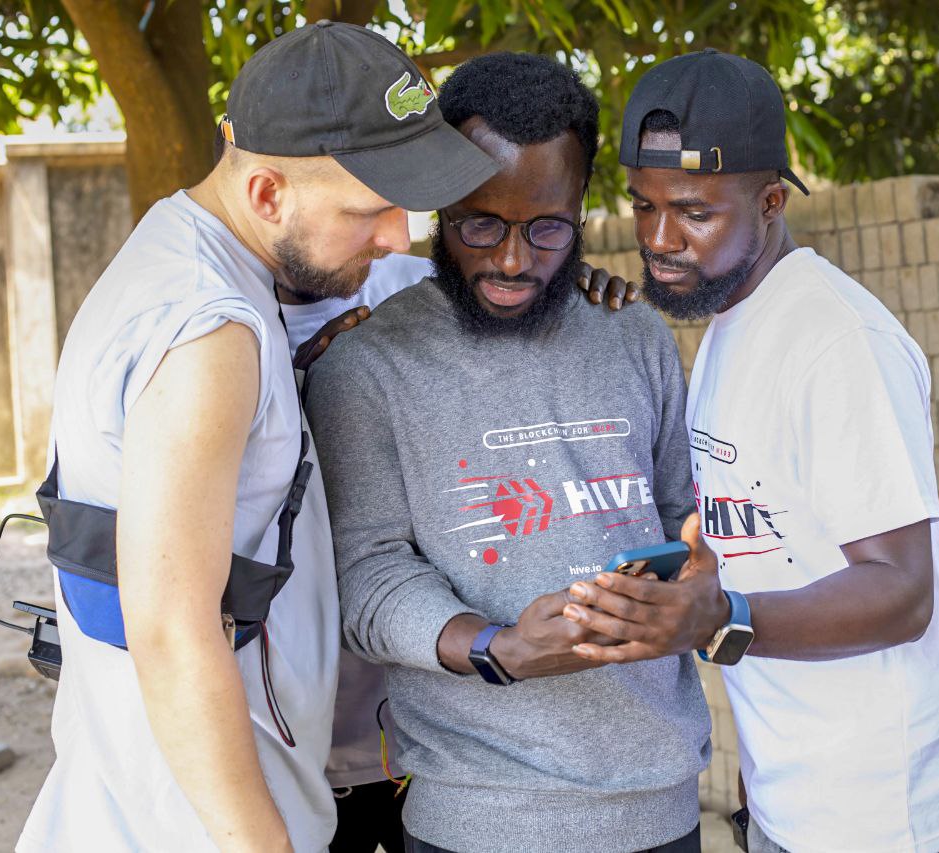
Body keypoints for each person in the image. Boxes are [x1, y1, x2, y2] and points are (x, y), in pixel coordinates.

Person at [18, 22, 498, 852]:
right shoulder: (211, 331)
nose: (397, 238)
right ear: (268, 194)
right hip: (200, 826)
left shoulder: (170, 255)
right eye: (371, 208)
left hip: (144, 799)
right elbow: (170, 626)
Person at [565, 50, 939, 853]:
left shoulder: (838, 343)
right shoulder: (732, 315)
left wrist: (722, 615)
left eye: (693, 212)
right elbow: (766, 531)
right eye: (643, 206)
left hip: (877, 814)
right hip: (791, 790)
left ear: (768, 202)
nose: (659, 239)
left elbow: (903, 593)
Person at [305, 52, 717, 853]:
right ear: (439, 206)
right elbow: (363, 575)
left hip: (661, 807)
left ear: (582, 207)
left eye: (547, 227)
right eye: (479, 223)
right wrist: (500, 649)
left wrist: (695, 584)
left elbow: (683, 515)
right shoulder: (367, 364)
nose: (512, 259)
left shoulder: (633, 331)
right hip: (477, 817)